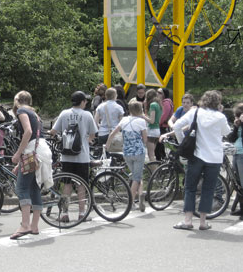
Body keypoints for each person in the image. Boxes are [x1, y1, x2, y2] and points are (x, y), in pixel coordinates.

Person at [171, 90, 230, 231]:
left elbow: (176, 126)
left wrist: (182, 142)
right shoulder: (220, 117)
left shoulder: (195, 113)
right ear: (218, 102)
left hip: (197, 155)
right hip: (215, 157)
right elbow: (227, 132)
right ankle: (203, 222)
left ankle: (188, 220)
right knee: (208, 189)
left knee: (190, 188)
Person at [10, 91, 52, 239]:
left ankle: (25, 225)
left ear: (17, 100)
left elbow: (27, 132)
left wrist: (17, 154)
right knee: (34, 188)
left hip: (32, 151)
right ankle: (34, 226)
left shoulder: (21, 110)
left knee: (21, 187)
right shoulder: (35, 114)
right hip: (42, 150)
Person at [50, 91, 98, 220]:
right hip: (82, 156)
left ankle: (64, 213)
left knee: (67, 184)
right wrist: (86, 140)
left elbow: (53, 131)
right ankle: (82, 214)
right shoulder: (87, 115)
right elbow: (93, 134)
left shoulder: (64, 113)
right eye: (85, 101)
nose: (86, 103)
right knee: (82, 184)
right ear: (82, 102)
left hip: (66, 156)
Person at [106, 101, 147, 211]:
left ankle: (141, 194)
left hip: (127, 152)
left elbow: (113, 133)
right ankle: (132, 202)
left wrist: (108, 145)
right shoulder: (141, 121)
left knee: (136, 175)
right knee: (136, 178)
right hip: (138, 152)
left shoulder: (124, 120)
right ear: (140, 110)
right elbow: (145, 138)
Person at [142, 89, 162, 162]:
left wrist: (142, 115)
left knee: (151, 155)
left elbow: (151, 121)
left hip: (151, 131)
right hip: (157, 131)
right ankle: (155, 171)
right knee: (152, 154)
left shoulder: (152, 105)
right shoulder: (158, 104)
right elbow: (157, 120)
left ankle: (154, 172)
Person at [156, 88, 173, 161]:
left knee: (158, 148)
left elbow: (164, 115)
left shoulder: (166, 103)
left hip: (162, 127)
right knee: (160, 148)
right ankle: (162, 164)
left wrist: (156, 123)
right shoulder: (161, 102)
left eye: (160, 92)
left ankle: (159, 163)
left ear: (164, 94)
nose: (157, 93)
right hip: (160, 127)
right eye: (157, 92)